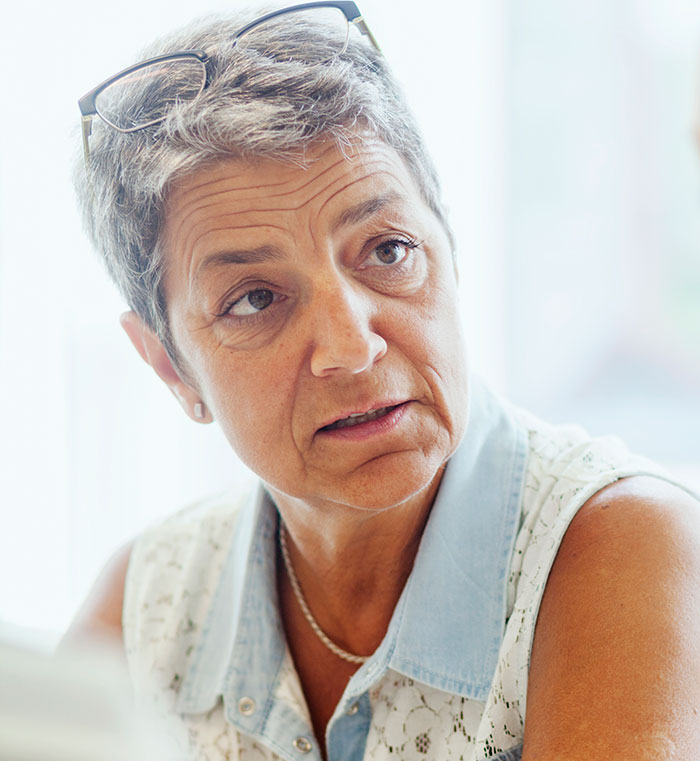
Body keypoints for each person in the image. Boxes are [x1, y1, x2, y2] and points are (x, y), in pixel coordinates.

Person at [68, 4, 700, 760]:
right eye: (256, 299)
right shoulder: (144, 608)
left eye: (389, 250)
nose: (351, 347)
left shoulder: (621, 544)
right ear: (171, 367)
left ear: (451, 248)